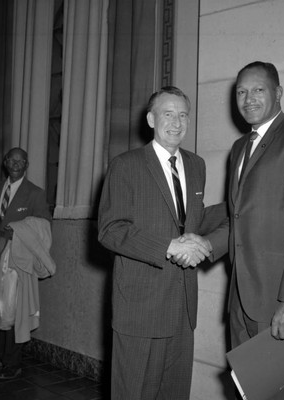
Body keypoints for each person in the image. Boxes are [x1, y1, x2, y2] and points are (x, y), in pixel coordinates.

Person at [213, 61, 284, 399]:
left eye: (258, 90)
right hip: (241, 302)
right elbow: (238, 220)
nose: (248, 99)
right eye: (241, 92)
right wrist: (203, 244)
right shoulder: (239, 149)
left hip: (282, 302)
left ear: (278, 93)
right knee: (252, 394)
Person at [98, 86, 222, 400]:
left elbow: (188, 221)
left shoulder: (197, 166)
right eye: (168, 114)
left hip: (183, 306)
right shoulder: (126, 165)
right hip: (140, 307)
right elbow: (110, 230)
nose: (177, 122)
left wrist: (239, 205)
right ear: (152, 119)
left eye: (183, 115)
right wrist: (168, 246)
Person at [0, 147, 52, 380]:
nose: (15, 164)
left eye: (20, 160)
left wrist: (19, 231)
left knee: (13, 312)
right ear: (5, 162)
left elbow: (43, 226)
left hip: (17, 263)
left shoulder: (35, 193)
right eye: (12, 159)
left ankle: (12, 363)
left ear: (26, 165)